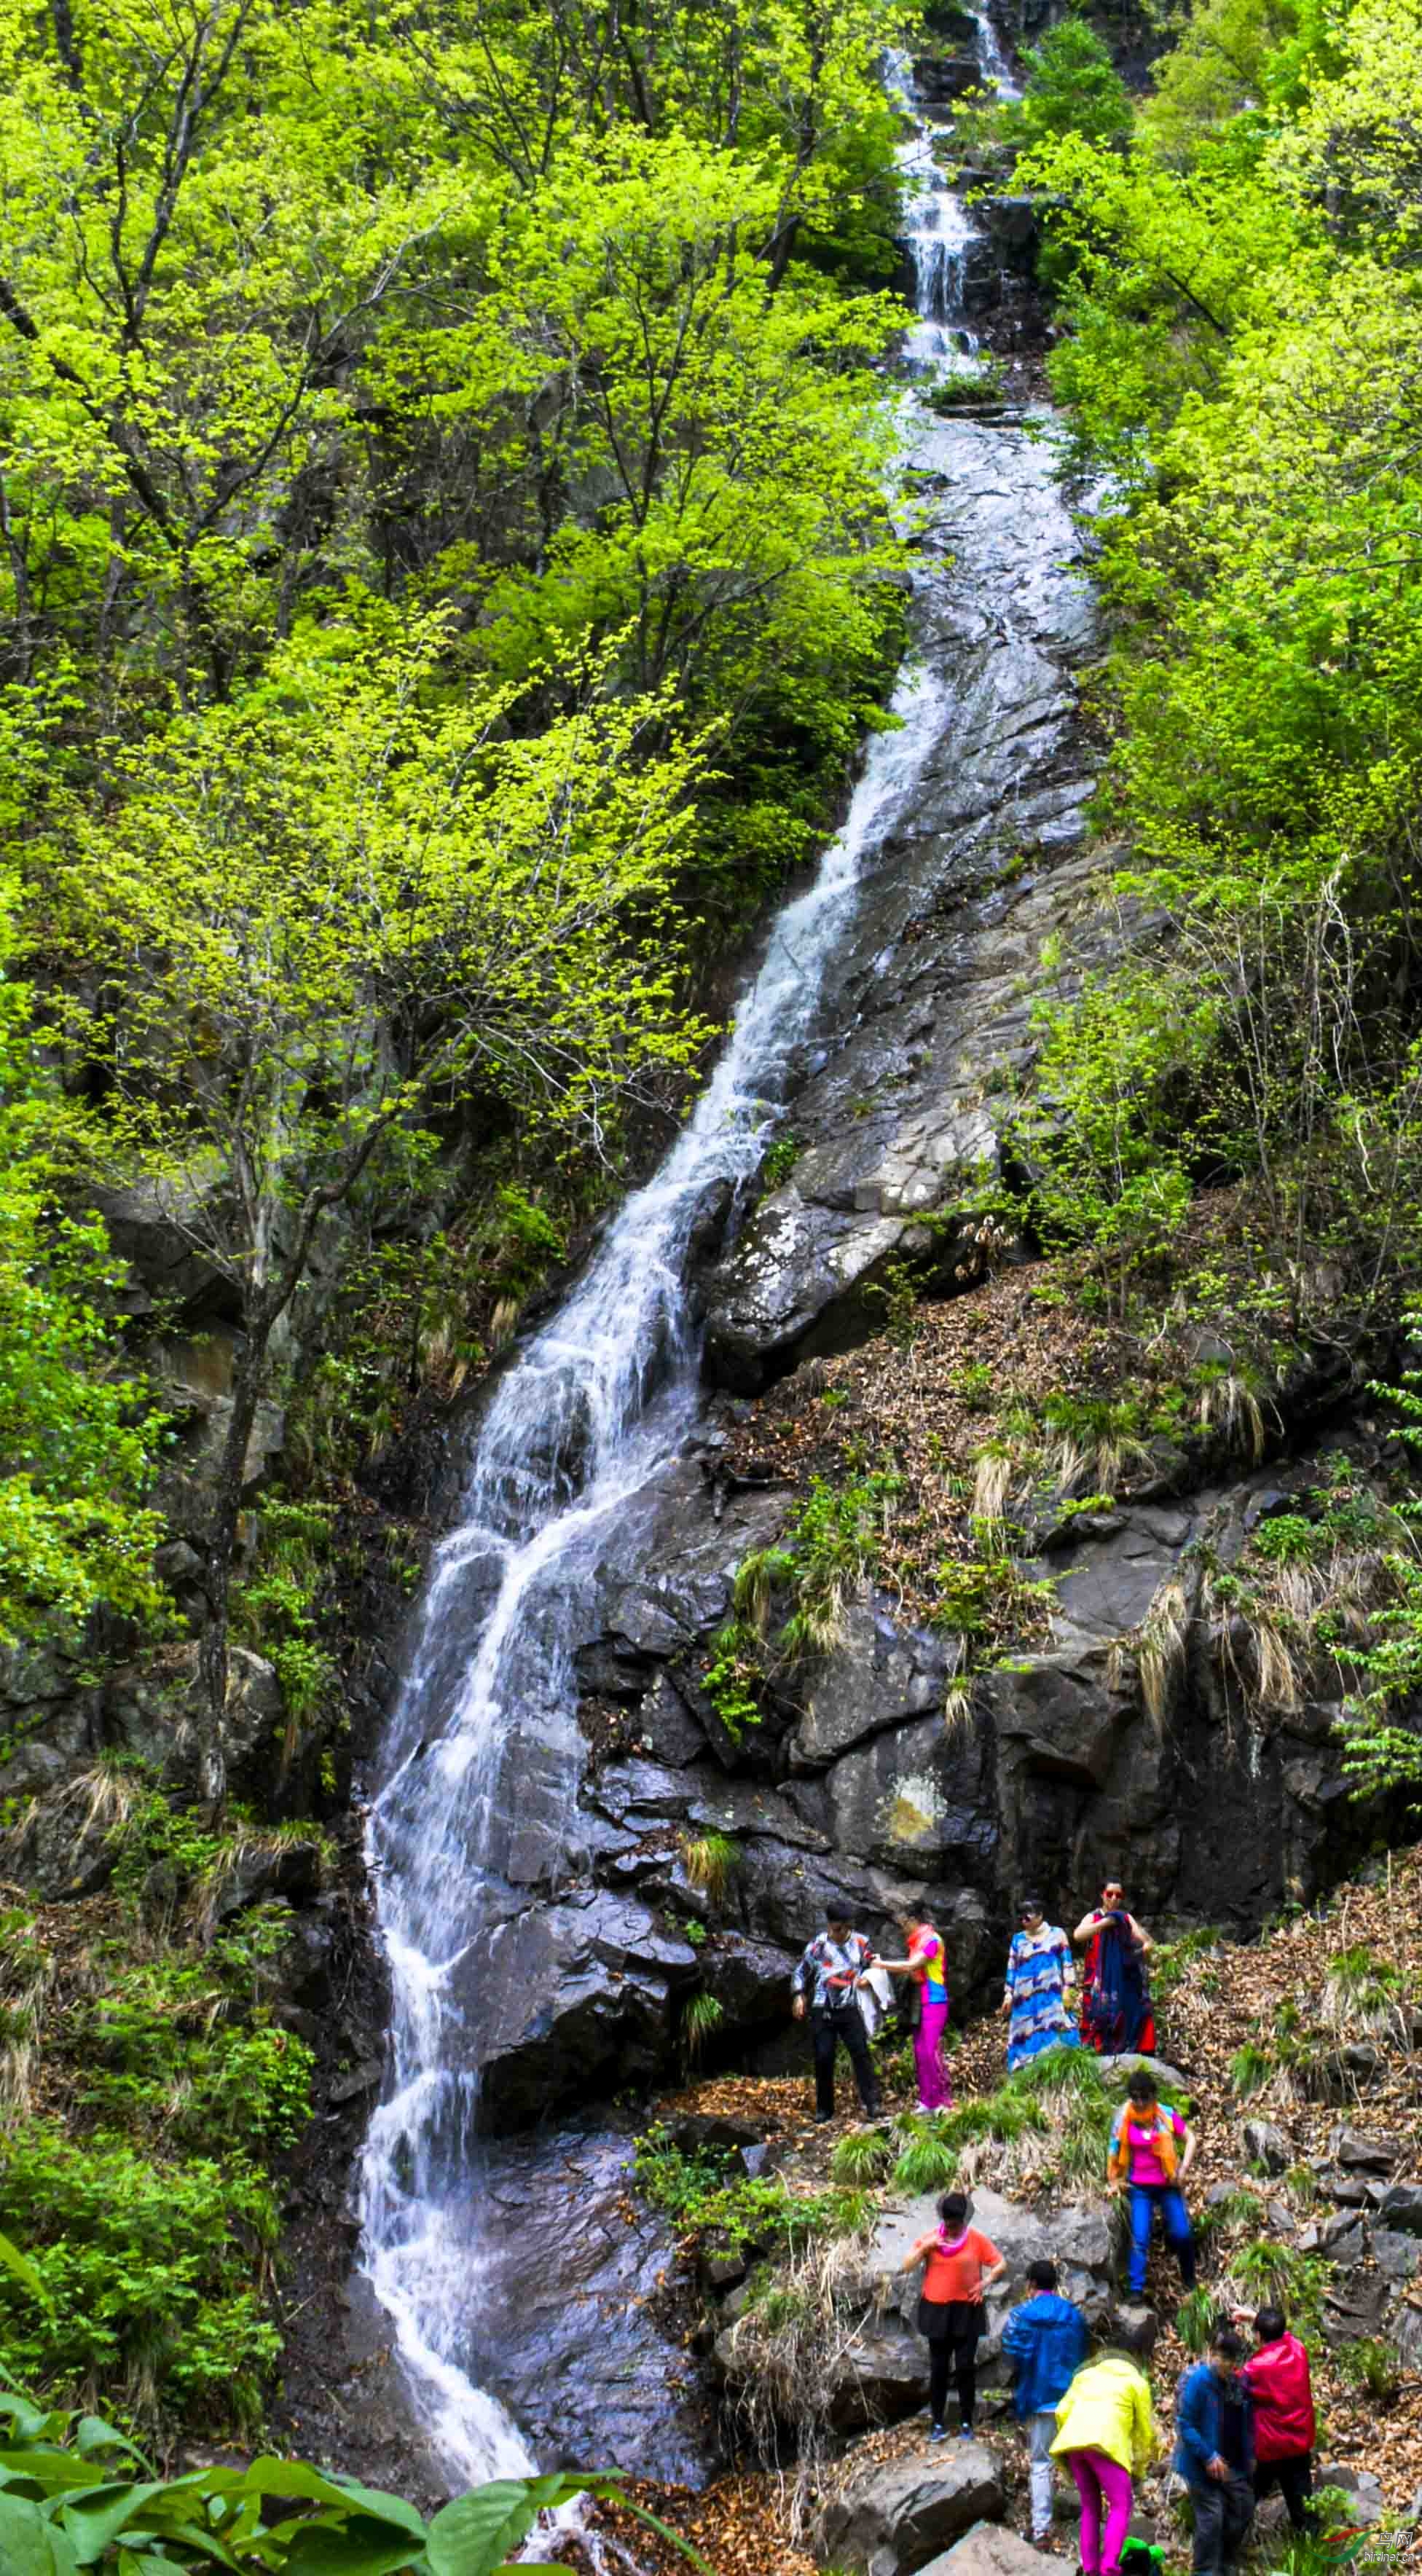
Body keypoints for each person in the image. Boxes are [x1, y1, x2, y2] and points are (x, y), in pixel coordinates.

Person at [1050, 2312, 1158, 2576]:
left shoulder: (1085, 2376)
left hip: (1075, 2444)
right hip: (1106, 2445)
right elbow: (1145, 2432)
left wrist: (1069, 2450)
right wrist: (1140, 2468)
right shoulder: (1136, 2382)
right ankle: (1109, 2567)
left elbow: (1062, 2411)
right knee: (1121, 2505)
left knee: (1090, 2506)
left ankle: (1090, 2568)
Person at [898, 2188, 1007, 2442]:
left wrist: (986, 2282)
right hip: (937, 2311)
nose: (952, 2229)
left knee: (966, 2367)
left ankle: (967, 2422)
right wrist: (926, 2247)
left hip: (967, 2310)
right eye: (949, 2224)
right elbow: (906, 2265)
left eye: (957, 2225)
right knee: (939, 2368)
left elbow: (1000, 2263)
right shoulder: (931, 2239)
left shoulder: (977, 2240)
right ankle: (938, 2423)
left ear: (964, 2221)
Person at [1001, 2257, 1090, 2542]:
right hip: (1070, 2398)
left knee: (1041, 2462)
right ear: (1056, 2284)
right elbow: (1082, 2352)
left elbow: (1012, 2351)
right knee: (1078, 2458)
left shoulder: (1022, 2315)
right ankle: (1089, 2522)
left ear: (1031, 2284)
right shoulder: (1073, 2316)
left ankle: (1041, 2528)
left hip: (1038, 2396)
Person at [1108, 2068, 1198, 2298]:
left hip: (1168, 2184)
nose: (1139, 2102)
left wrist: (1183, 2168)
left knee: (1183, 2234)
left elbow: (1190, 2138)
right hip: (1139, 2187)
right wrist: (1114, 2179)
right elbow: (1114, 2151)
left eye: (1144, 2097)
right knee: (1140, 2238)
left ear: (1153, 2095)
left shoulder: (1165, 2115)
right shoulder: (1123, 2118)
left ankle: (1189, 2277)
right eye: (1134, 2097)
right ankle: (1136, 2289)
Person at [1175, 2325, 1256, 2576]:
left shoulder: (1238, 2382)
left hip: (1232, 2461)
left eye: (1230, 2359)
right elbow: (1185, 2424)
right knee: (1212, 2518)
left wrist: (1249, 2455)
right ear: (1212, 2354)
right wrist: (1208, 2455)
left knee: (1243, 2507)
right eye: (1221, 2357)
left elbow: (1245, 2419)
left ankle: (1225, 2561)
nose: (1225, 2364)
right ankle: (1205, 2571)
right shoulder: (1199, 2381)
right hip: (1201, 2463)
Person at [791, 1905, 881, 2123]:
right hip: (823, 2007)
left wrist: (869, 1977)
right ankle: (825, 2109)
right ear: (829, 1925)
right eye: (836, 1929)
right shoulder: (818, 1946)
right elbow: (801, 1971)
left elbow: (875, 1965)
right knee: (823, 2057)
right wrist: (798, 1994)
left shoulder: (861, 1942)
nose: (839, 1933)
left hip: (851, 2006)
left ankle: (873, 2104)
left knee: (860, 2054)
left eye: (844, 1929)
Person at [1239, 2304, 1316, 2534]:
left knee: (1247, 2498)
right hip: (1299, 2444)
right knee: (1302, 2507)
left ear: (1259, 2336)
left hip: (1271, 2449)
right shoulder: (1299, 2351)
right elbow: (1286, 2336)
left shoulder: (1255, 2369)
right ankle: (1315, 2553)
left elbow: (1235, 2389)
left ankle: (1227, 2547)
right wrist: (1256, 2318)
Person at [872, 1910, 954, 2110]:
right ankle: (927, 2100)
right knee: (919, 2051)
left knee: (930, 2050)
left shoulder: (932, 1940)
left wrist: (882, 1965)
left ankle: (943, 2101)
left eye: (903, 1923)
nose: (901, 1929)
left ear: (914, 1920)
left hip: (934, 2000)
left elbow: (911, 1966)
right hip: (918, 2001)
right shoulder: (915, 1942)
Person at [999, 1897, 1080, 2071]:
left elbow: (1067, 1963)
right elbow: (1012, 1967)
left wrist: (1069, 1988)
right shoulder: (1018, 1940)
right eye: (1020, 1918)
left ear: (1040, 1916)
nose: (1023, 1922)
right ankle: (1025, 2074)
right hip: (1025, 2000)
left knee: (1057, 2030)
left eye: (1027, 1918)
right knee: (1025, 2036)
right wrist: (1008, 1994)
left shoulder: (1057, 1934)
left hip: (1052, 1997)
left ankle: (1059, 2070)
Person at [1075, 1881, 1156, 2054]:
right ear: (1102, 1895)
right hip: (1098, 1978)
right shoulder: (1094, 1917)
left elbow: (1146, 1941)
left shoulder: (1125, 1918)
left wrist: (1142, 1948)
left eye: (1118, 1895)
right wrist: (1106, 1923)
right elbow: (1078, 1935)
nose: (1114, 1898)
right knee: (1096, 2018)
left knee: (1133, 2011)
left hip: (1123, 1977)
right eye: (1110, 1893)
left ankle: (1132, 2051)